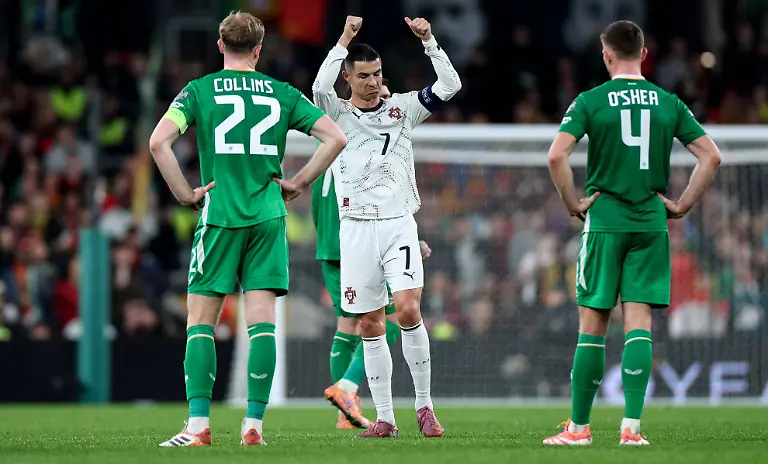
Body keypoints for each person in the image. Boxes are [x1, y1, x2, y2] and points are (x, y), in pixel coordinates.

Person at [149, 11, 347, 447]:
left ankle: (199, 426)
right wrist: (299, 182)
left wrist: (185, 193)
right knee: (262, 324)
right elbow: (335, 138)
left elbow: (158, 142)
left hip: (219, 216)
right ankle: (253, 425)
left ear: (220, 45)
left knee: (201, 322)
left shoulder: (198, 92)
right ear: (259, 50)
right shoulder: (281, 93)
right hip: (267, 218)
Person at [542, 20, 721, 446]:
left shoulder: (591, 100)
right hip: (649, 224)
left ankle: (580, 429)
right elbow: (711, 157)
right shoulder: (668, 102)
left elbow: (556, 157)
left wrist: (571, 202)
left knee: (593, 324)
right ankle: (631, 429)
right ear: (644, 55)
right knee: (638, 322)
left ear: (606, 55)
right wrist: (681, 205)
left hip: (604, 222)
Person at [312, 15, 461, 438]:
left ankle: (425, 407)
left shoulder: (404, 109)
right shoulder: (335, 113)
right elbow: (318, 88)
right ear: (349, 77)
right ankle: (385, 419)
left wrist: (430, 40)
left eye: (378, 74)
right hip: (355, 228)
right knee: (370, 324)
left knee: (409, 310)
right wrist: (342, 39)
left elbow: (450, 85)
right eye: (364, 76)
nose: (374, 82)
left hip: (398, 224)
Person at [312, 80, 432, 428]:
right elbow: (374, 201)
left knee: (348, 323)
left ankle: (346, 413)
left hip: (332, 243)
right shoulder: (360, 143)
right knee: (393, 317)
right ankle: (347, 388)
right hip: (355, 239)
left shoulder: (333, 146)